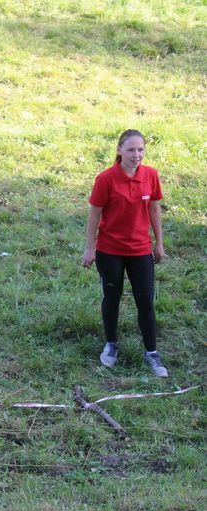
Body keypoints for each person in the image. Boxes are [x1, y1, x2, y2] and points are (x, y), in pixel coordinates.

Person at [81, 129, 168, 377]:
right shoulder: (106, 179)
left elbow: (154, 210)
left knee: (145, 300)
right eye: (130, 149)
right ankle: (111, 345)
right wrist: (90, 248)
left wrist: (159, 244)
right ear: (119, 150)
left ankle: (151, 352)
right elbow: (94, 214)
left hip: (140, 249)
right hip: (110, 250)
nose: (136, 154)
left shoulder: (150, 175)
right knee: (112, 297)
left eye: (140, 149)